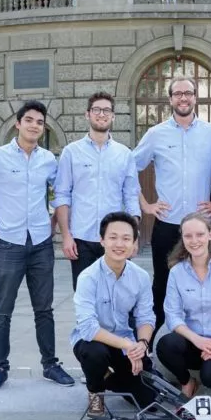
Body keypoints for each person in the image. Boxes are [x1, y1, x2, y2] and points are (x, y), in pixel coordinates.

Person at [0, 100, 75, 392]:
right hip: (8, 244)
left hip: (41, 244)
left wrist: (55, 223)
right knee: (2, 310)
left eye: (40, 122)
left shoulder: (49, 160)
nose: (34, 125)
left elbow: (60, 195)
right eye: (29, 120)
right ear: (18, 124)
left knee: (44, 309)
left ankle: (50, 365)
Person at [133, 76, 211, 343]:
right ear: (170, 98)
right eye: (177, 93)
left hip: (202, 228)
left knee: (204, 285)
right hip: (168, 226)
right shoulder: (156, 134)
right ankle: (147, 345)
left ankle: (202, 343)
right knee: (161, 286)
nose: (183, 98)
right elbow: (129, 169)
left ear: (195, 97)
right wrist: (146, 205)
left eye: (188, 93)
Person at [71, 212, 157, 415]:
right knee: (95, 354)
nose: (119, 244)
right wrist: (129, 345)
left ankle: (107, 377)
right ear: (102, 240)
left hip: (124, 342)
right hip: (93, 342)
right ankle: (95, 391)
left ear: (134, 243)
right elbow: (89, 328)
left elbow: (146, 317)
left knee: (149, 399)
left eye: (126, 238)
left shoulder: (141, 277)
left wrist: (141, 345)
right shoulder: (88, 277)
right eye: (113, 237)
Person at [53, 92, 140, 289]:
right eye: (97, 110)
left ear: (113, 116)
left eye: (107, 110)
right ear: (87, 114)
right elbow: (62, 195)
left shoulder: (124, 154)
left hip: (115, 240)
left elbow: (131, 196)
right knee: (85, 297)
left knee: (117, 296)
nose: (102, 114)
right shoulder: (71, 152)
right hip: (81, 239)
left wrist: (133, 237)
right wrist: (66, 236)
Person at [158, 213, 211, 398]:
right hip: (193, 341)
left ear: (210, 235)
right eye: (188, 236)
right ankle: (187, 382)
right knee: (166, 345)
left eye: (199, 234)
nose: (194, 240)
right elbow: (172, 316)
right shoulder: (177, 271)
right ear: (182, 238)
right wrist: (198, 340)